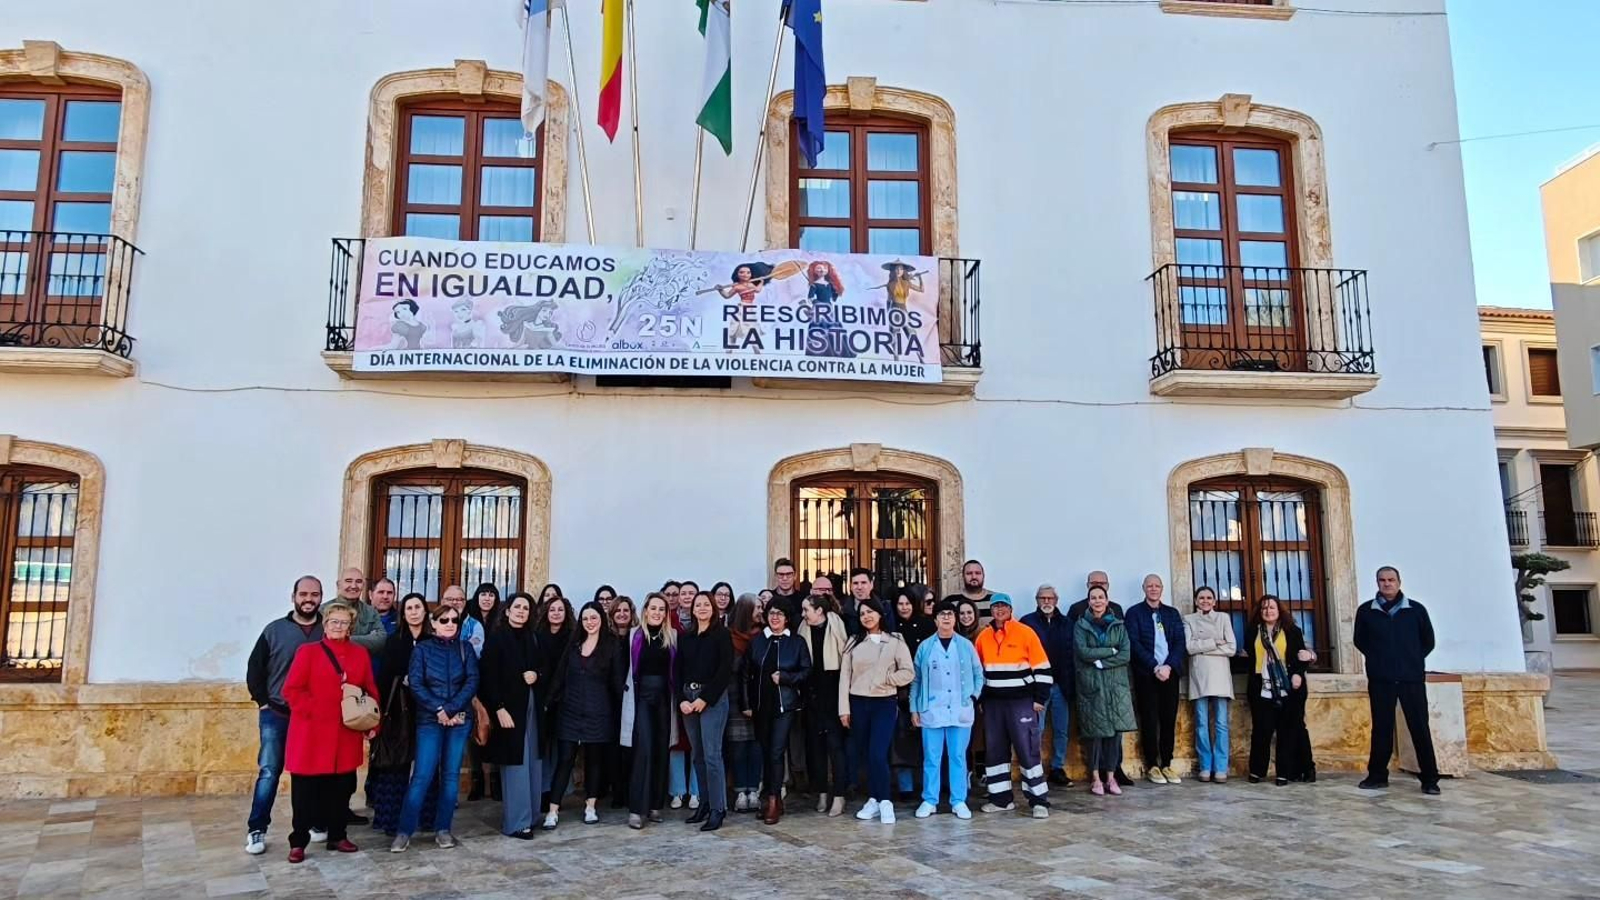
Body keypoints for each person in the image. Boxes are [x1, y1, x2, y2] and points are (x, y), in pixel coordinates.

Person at [282, 601, 378, 863]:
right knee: (305, 793)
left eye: (344, 622)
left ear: (350, 627)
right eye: (334, 621)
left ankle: (338, 835)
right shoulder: (308, 652)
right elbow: (291, 690)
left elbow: (370, 689)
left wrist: (372, 722)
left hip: (345, 733)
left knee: (342, 788)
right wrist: (319, 709)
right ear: (325, 625)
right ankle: (298, 841)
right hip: (311, 733)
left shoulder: (360, 654)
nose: (338, 626)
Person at [244, 575, 325, 855]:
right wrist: (263, 702)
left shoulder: (327, 629)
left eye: (314, 595)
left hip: (312, 717)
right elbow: (255, 670)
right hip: (277, 713)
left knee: (313, 772)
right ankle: (257, 829)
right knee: (269, 771)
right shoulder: (274, 630)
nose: (309, 599)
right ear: (293, 597)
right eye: (303, 594)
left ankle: (313, 821)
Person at [391, 604, 478, 852]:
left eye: (454, 620)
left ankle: (443, 829)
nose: (450, 624)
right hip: (430, 720)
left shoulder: (466, 648)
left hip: (459, 719)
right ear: (434, 623)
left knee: (450, 777)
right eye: (445, 620)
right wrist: (439, 709)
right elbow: (416, 684)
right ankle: (404, 831)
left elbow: (472, 681)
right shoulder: (422, 650)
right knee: (422, 776)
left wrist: (450, 709)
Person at [1355, 566, 1439, 794]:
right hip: (1381, 680)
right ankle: (1377, 775)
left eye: (1391, 580)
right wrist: (1379, 661)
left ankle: (1430, 778)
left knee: (1419, 727)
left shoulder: (1416, 610)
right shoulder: (1366, 611)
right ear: (1377, 583)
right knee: (1382, 728)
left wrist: (1410, 660)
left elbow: (1428, 641)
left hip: (1411, 679)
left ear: (1399, 582)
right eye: (1382, 580)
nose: (1387, 584)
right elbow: (1360, 641)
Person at [544, 601, 625, 829]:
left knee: (594, 762)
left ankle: (590, 806)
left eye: (594, 618)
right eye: (586, 618)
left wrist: (623, 712)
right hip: (570, 711)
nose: (590, 622)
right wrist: (547, 703)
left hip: (599, 712)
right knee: (565, 760)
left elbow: (617, 683)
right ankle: (553, 810)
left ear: (602, 620)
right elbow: (560, 677)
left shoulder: (612, 646)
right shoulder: (573, 644)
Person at [972, 595, 1053, 818]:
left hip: (1021, 702)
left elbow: (1043, 669)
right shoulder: (984, 637)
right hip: (994, 705)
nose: (1000, 610)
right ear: (991, 610)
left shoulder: (1026, 633)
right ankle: (1000, 799)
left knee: (1028, 750)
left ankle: (1038, 801)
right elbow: (978, 673)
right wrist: (980, 700)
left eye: (1004, 606)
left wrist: (1039, 699)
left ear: (1011, 609)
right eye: (996, 606)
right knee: (995, 752)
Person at [839, 599, 914, 824]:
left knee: (877, 753)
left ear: (880, 614)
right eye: (862, 613)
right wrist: (844, 709)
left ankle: (885, 801)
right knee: (866, 755)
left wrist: (888, 679)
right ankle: (873, 799)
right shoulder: (853, 642)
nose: (866, 616)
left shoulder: (895, 641)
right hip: (859, 703)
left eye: (870, 612)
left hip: (884, 703)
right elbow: (845, 677)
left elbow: (908, 672)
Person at [480, 592, 545, 838]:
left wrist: (537, 675)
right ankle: (517, 822)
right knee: (516, 764)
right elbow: (488, 676)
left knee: (533, 762)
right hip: (508, 710)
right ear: (507, 611)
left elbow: (543, 667)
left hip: (532, 708)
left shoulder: (533, 638)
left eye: (526, 608)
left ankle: (532, 815)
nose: (521, 611)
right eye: (517, 607)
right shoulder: (497, 639)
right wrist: (498, 708)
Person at [910, 601, 982, 819]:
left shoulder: (965, 646)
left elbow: (979, 674)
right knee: (932, 757)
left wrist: (972, 696)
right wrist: (914, 708)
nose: (947, 618)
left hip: (960, 710)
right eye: (942, 614)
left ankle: (958, 800)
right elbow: (916, 680)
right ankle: (929, 799)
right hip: (931, 709)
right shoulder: (925, 647)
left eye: (950, 614)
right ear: (936, 619)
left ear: (955, 618)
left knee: (958, 756)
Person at [369, 593, 431, 836]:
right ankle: (390, 819)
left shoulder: (432, 640)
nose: (414, 612)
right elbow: (383, 679)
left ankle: (426, 818)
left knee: (427, 767)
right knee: (396, 766)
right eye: (409, 608)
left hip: (426, 711)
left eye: (418, 607)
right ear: (403, 613)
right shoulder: (394, 641)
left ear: (425, 611)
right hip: (398, 711)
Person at [745, 601, 811, 825]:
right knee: (764, 752)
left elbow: (806, 671)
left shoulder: (796, 642)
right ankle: (769, 798)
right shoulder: (757, 642)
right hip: (762, 706)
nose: (775, 617)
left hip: (785, 706)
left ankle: (773, 800)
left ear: (787, 618)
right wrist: (747, 703)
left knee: (776, 752)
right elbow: (745, 674)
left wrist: (786, 678)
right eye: (772, 613)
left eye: (780, 614)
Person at [1066, 571, 1131, 787]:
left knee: (1114, 734)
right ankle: (1095, 777)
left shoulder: (1118, 623)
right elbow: (1083, 652)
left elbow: (1125, 654)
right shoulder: (1080, 623)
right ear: (1088, 599)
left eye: (1100, 597)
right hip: (1092, 686)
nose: (1097, 601)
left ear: (1107, 599)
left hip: (1114, 686)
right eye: (1093, 597)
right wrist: (1109, 650)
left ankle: (1111, 777)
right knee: (1094, 734)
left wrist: (1103, 661)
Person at [1246, 594, 1316, 786]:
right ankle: (1256, 771)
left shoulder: (1292, 631)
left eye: (1272, 608)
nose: (1268, 611)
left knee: (1288, 731)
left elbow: (1302, 657)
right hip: (1262, 688)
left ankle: (1284, 773)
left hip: (1289, 687)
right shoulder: (1253, 631)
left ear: (1279, 611)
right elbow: (1248, 657)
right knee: (1262, 730)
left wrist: (1298, 674)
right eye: (1264, 608)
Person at [680, 591, 734, 831]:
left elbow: (725, 670)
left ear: (713, 609)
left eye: (706, 604)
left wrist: (706, 698)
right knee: (698, 755)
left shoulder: (722, 635)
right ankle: (704, 803)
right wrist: (682, 698)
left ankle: (717, 808)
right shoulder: (686, 637)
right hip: (688, 700)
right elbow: (678, 669)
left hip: (712, 699)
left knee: (712, 755)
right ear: (692, 609)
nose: (701, 608)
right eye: (697, 604)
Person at [622, 593, 677, 829]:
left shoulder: (672, 636)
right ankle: (637, 809)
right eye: (653, 608)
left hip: (665, 697)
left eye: (661, 609)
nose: (656, 612)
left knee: (661, 749)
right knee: (643, 748)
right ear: (645, 611)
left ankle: (655, 805)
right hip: (641, 696)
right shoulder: (634, 635)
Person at [1125, 574, 1186, 784]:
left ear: (1162, 589)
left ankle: (1167, 763)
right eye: (1149, 586)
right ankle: (1152, 764)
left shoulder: (1172, 613)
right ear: (1144, 588)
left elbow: (1179, 641)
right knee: (1149, 719)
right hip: (1147, 675)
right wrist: (1154, 666)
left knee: (1168, 719)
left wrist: (1169, 666)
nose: (1153, 589)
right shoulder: (1134, 613)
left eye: (1157, 586)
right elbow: (1133, 643)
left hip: (1170, 673)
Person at [798, 593, 849, 817]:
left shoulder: (837, 627)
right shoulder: (803, 630)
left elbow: (845, 661)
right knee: (815, 748)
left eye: (806, 610)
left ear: (819, 611)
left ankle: (839, 795)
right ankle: (821, 792)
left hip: (833, 692)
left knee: (836, 747)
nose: (802, 614)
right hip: (811, 694)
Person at [1021, 583, 1075, 788]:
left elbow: (1072, 653)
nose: (1046, 602)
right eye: (1042, 598)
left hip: (1062, 685)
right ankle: (1034, 768)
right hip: (1038, 688)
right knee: (1037, 729)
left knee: (1062, 729)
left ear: (1056, 601)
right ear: (1037, 601)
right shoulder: (1028, 623)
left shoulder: (1067, 623)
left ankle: (1057, 768)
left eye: (1049, 598)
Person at [1184, 586, 1237, 783]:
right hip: (1199, 676)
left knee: (1221, 723)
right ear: (1196, 600)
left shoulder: (1223, 618)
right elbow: (1189, 647)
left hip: (1221, 676)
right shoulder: (1188, 620)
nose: (1205, 601)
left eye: (1209, 598)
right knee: (1201, 723)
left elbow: (1231, 648)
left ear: (1214, 601)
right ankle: (1205, 765)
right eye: (1201, 598)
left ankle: (1221, 766)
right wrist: (1215, 641)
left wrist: (1203, 647)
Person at [890, 586, 933, 801]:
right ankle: (906, 786)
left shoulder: (926, 624)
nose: (904, 607)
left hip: (925, 687)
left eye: (907, 603)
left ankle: (929, 785)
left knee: (927, 738)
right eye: (900, 604)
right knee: (902, 738)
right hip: (899, 690)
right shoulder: (891, 627)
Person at [534, 594, 576, 805]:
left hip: (566, 698)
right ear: (546, 613)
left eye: (560, 609)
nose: (556, 613)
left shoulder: (573, 637)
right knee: (543, 746)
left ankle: (557, 792)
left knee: (562, 748)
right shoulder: (537, 636)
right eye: (552, 610)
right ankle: (542, 790)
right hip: (541, 696)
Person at [726, 594, 765, 812]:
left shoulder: (763, 635)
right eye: (756, 607)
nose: (761, 610)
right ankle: (741, 791)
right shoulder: (729, 637)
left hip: (758, 697)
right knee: (738, 746)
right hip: (733, 698)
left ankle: (755, 790)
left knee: (756, 745)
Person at [467, 582, 504, 800]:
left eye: (491, 594)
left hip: (495, 680)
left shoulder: (500, 621)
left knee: (496, 728)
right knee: (474, 730)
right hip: (472, 680)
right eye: (483, 594)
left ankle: (496, 780)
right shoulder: (468, 621)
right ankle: (477, 778)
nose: (487, 598)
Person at [607, 596, 637, 808]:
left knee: (631, 748)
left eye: (626, 610)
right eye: (618, 611)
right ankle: (617, 792)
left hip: (632, 699)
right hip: (610, 701)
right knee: (613, 749)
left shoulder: (637, 638)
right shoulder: (606, 638)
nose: (622, 614)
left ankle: (630, 791)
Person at [324, 567, 387, 657]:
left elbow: (380, 640)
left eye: (358, 581)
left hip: (360, 665)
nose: (354, 586)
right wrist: (367, 638)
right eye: (348, 581)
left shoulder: (370, 611)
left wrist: (344, 639)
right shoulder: (324, 610)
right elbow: (321, 641)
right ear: (338, 585)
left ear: (363, 585)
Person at [943, 559, 1002, 624]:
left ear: (983, 575)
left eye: (977, 573)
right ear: (963, 576)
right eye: (969, 573)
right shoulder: (950, 600)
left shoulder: (997, 599)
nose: (974, 577)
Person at [440, 585, 484, 658]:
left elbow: (475, 653)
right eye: (450, 599)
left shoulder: (475, 626)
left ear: (464, 603)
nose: (454, 602)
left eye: (459, 599)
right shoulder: (433, 623)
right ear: (442, 602)